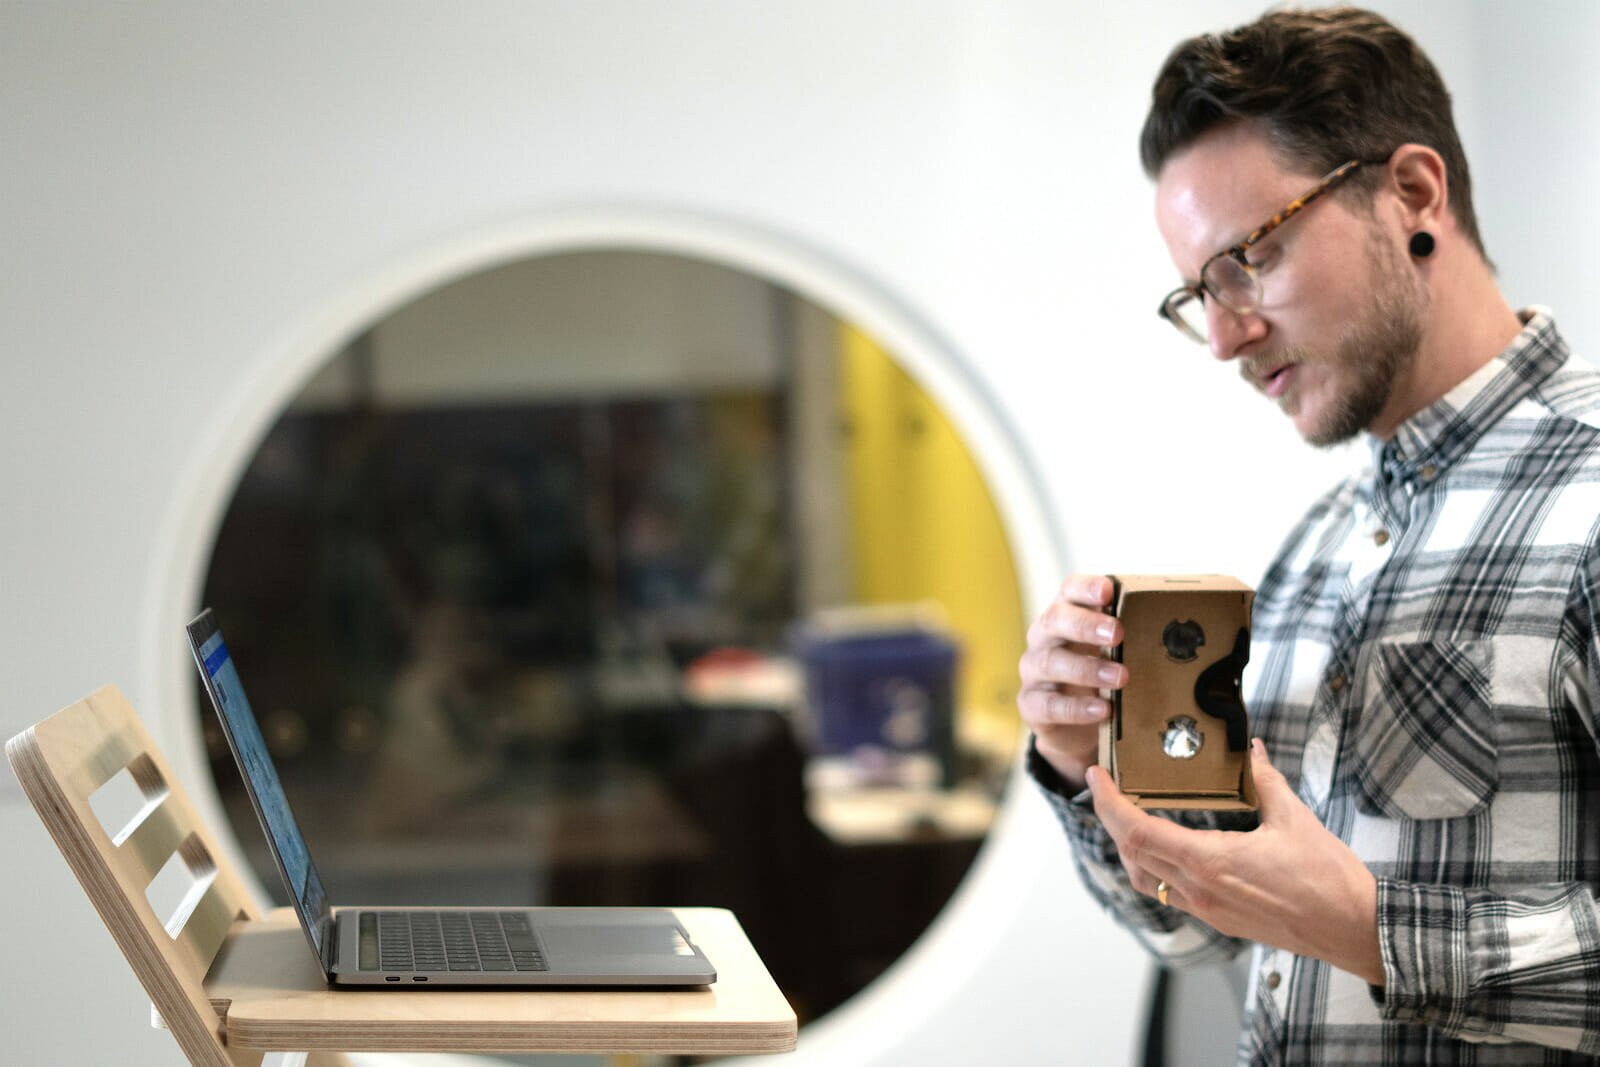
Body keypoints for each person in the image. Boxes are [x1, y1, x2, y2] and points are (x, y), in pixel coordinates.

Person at [1017, 7, 1600, 1064]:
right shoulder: (1311, 553)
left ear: (1412, 193)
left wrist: (1367, 925)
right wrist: (1073, 760)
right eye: (1201, 292)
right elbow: (1196, 925)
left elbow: (1328, 918)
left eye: (1250, 257)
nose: (1226, 334)